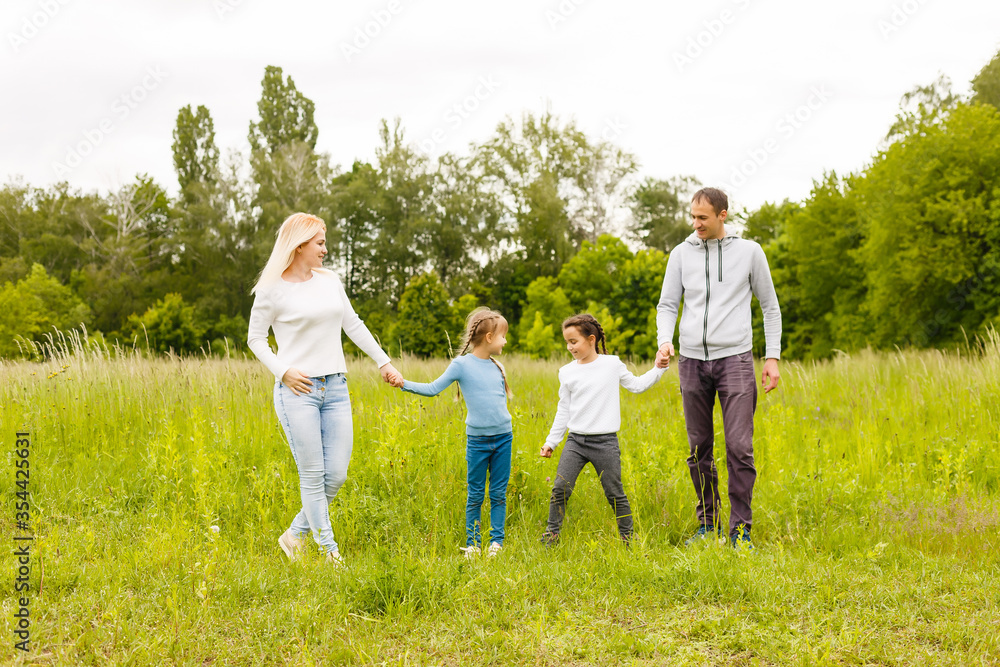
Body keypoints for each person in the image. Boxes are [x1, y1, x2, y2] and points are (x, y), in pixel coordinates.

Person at [247, 212, 401, 565]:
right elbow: (255, 338)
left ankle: (294, 534)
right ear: (299, 245)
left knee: (336, 474)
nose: (326, 249)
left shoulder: (329, 280)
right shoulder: (272, 289)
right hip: (297, 391)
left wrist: (384, 361)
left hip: (335, 387)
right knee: (313, 475)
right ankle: (330, 552)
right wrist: (282, 370)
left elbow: (354, 324)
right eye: (320, 243)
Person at [655, 187, 781, 550]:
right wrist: (666, 340)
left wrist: (771, 356)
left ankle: (741, 531)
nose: (696, 224)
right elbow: (667, 304)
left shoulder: (749, 253)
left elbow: (770, 307)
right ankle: (708, 526)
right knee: (699, 448)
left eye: (703, 218)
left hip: (736, 361)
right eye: (693, 217)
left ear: (722, 215)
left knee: (740, 447)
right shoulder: (681, 255)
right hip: (692, 362)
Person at [539, 313, 668, 547]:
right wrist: (551, 442)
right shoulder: (566, 372)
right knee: (560, 488)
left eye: (573, 341)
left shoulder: (611, 364)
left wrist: (658, 368)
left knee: (614, 492)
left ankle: (628, 538)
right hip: (575, 442)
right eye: (567, 342)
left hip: (605, 443)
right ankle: (551, 536)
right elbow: (563, 410)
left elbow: (637, 385)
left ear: (591, 339)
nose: (569, 347)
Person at [397, 308, 513, 558]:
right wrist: (403, 383)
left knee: (498, 493)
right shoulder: (461, 365)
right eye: (503, 336)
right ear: (490, 337)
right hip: (478, 441)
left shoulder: (498, 366)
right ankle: (473, 545)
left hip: (504, 438)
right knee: (475, 494)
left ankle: (497, 544)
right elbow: (432, 389)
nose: (506, 341)